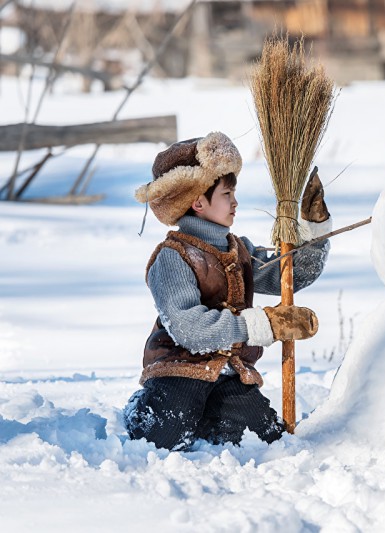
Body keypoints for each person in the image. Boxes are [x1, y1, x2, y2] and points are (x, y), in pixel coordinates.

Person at [123, 131, 332, 451]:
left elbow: (288, 275)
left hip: (229, 374)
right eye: (226, 194)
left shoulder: (239, 251)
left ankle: (209, 416)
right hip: (178, 370)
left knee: (265, 438)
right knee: (164, 437)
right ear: (198, 201)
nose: (235, 202)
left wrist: (313, 230)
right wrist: (264, 324)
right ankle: (144, 406)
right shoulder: (173, 257)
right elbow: (189, 329)